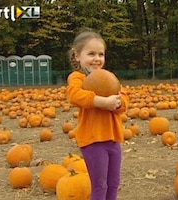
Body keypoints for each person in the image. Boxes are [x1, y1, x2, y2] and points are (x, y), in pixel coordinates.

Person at [66, 29, 129, 200]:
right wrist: (101, 102)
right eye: (91, 54)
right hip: (93, 140)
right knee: (100, 185)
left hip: (113, 139)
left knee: (113, 183)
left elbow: (123, 99)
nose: (97, 58)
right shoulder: (77, 77)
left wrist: (117, 104)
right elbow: (74, 95)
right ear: (77, 56)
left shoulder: (108, 78)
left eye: (101, 54)